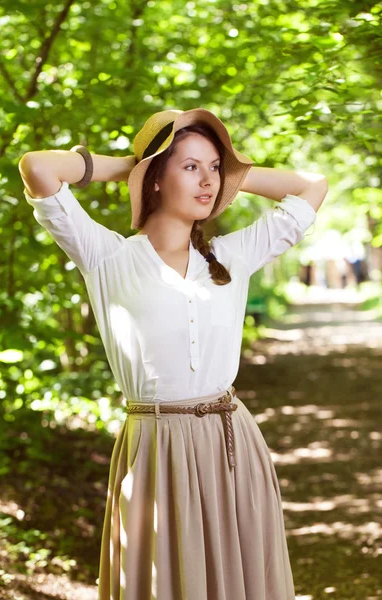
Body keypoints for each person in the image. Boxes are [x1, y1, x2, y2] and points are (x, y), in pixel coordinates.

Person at [18, 108, 327, 600]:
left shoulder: (233, 256)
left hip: (231, 442)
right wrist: (131, 165)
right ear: (155, 179)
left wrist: (232, 174)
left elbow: (313, 185)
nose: (208, 181)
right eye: (189, 167)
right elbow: (38, 167)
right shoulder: (107, 256)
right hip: (156, 445)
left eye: (214, 168)